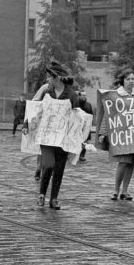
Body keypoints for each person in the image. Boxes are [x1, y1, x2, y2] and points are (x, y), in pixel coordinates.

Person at [23, 60, 78, 210]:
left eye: (49, 77)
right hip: (47, 137)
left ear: (57, 78)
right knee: (48, 165)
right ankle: (41, 194)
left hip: (63, 138)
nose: (47, 80)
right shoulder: (47, 92)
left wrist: (79, 135)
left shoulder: (71, 95)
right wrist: (27, 123)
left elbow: (76, 117)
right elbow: (36, 110)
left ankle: (53, 198)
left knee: (59, 169)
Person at [97, 69, 134, 201]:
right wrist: (103, 132)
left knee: (131, 163)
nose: (131, 81)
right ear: (123, 81)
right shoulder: (115, 96)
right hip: (121, 134)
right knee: (123, 162)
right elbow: (108, 115)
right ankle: (116, 189)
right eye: (128, 79)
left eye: (133, 79)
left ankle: (125, 190)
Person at [77, 90, 93, 162]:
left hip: (86, 126)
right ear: (79, 96)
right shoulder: (76, 104)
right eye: (82, 95)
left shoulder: (88, 105)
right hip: (77, 126)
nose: (84, 97)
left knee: (85, 141)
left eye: (85, 95)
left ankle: (82, 155)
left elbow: (91, 116)